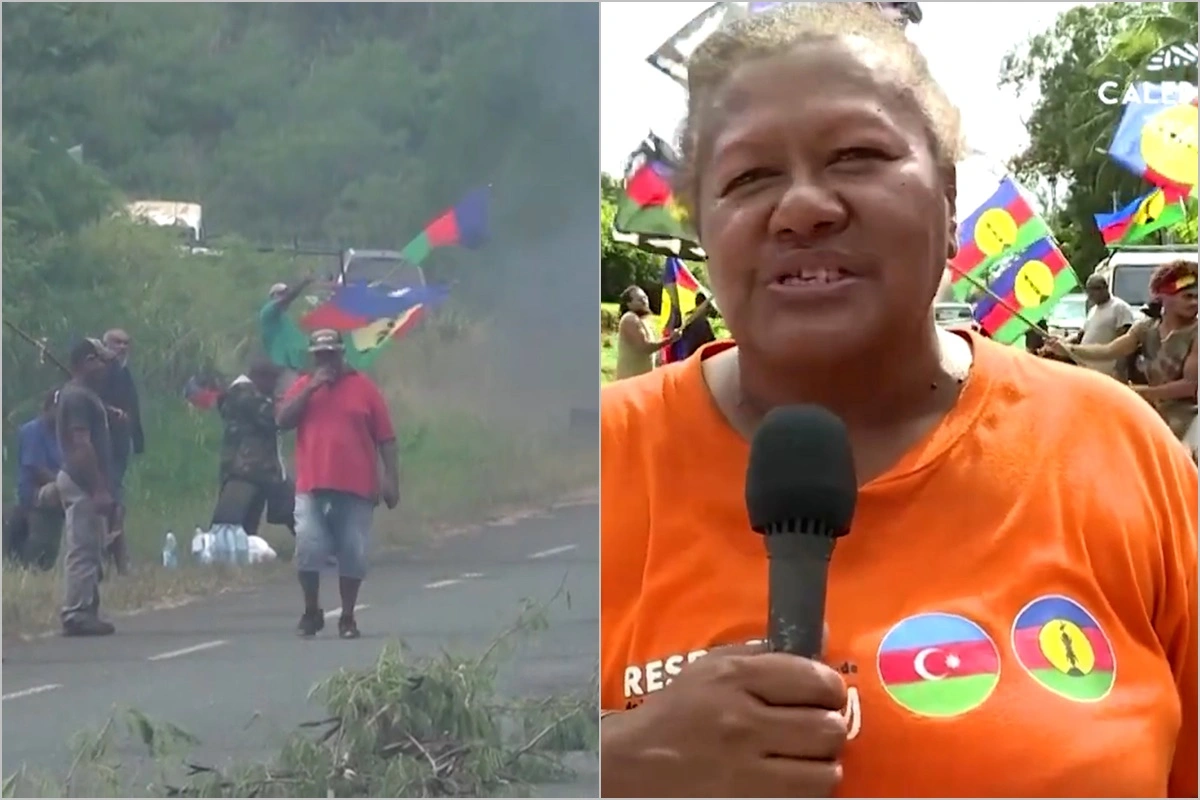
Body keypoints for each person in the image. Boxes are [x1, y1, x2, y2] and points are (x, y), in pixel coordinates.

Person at [599, 6, 1195, 798]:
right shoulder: (588, 470)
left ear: (949, 203)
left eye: (857, 156)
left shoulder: (1118, 450)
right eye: (750, 177)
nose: (804, 206)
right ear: (704, 227)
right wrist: (607, 767)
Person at [276, 329, 399, 639]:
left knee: (352, 552)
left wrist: (390, 478)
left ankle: (347, 616)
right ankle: (311, 610)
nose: (326, 361)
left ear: (342, 354)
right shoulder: (305, 386)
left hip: (356, 487)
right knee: (307, 547)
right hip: (312, 485)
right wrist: (311, 388)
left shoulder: (364, 389)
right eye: (320, 355)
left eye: (331, 354)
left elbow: (386, 438)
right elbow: (282, 420)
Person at [1050, 259, 1198, 458]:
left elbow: (1189, 386)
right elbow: (1109, 350)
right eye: (1187, 296)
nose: (1194, 303)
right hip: (1158, 414)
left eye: (1197, 297)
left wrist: (1138, 392)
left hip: (1191, 420)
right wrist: (1068, 349)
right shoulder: (1146, 328)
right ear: (1164, 296)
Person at [57, 339, 118, 637]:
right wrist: (98, 488)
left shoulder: (84, 396)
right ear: (83, 362)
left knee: (92, 546)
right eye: (99, 361)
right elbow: (82, 443)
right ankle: (77, 611)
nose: (104, 368)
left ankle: (87, 606)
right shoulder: (78, 398)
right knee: (82, 547)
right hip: (81, 480)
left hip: (82, 479)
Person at [211, 358, 294, 540]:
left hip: (259, 468)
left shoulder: (243, 393)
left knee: (293, 512)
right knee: (230, 527)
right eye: (273, 380)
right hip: (245, 470)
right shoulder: (243, 394)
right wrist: (290, 404)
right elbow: (274, 419)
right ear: (259, 377)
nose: (275, 385)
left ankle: (319, 550)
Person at [98, 328, 143, 574]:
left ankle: (114, 559)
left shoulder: (124, 372)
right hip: (102, 446)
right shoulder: (101, 372)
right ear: (105, 344)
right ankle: (114, 560)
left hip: (120, 446)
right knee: (112, 504)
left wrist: (137, 439)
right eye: (117, 342)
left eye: (127, 343)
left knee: (116, 503)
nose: (122, 347)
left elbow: (132, 405)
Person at [17, 390, 66, 571]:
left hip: (58, 484)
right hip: (34, 490)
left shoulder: (62, 433)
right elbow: (36, 469)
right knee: (56, 492)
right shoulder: (32, 430)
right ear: (48, 408)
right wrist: (66, 483)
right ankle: (33, 560)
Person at [1070, 274, 1136, 379]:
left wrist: (1120, 368)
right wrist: (1062, 342)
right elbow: (1082, 335)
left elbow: (1124, 341)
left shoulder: (1119, 307)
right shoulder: (1092, 311)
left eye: (1093, 289)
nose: (1090, 294)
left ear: (1104, 288)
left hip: (1108, 372)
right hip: (1088, 370)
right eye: (1088, 290)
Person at [260, 279, 315, 398]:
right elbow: (287, 299)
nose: (284, 297)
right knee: (291, 397)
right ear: (273, 296)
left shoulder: (285, 319)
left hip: (296, 367)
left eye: (285, 293)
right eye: (281, 293)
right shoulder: (268, 312)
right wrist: (303, 282)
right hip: (283, 368)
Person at [615, 286, 680, 380]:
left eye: (645, 298)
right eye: (640, 299)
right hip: (630, 383)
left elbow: (655, 345)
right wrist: (670, 340)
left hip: (640, 381)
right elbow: (645, 347)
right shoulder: (630, 318)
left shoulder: (643, 321)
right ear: (629, 304)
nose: (644, 301)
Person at [676, 291, 718, 360]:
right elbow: (710, 342)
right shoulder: (701, 321)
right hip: (697, 356)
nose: (710, 310)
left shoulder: (688, 317)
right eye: (709, 306)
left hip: (688, 357)